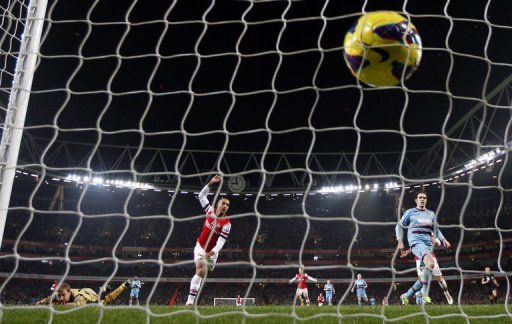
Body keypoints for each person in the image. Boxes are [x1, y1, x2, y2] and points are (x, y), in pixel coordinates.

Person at [396, 191, 451, 303]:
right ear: (416, 200)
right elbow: (399, 226)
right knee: (430, 264)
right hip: (416, 242)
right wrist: (400, 241)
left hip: (428, 245)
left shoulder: (431, 214)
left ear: (426, 200)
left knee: (425, 276)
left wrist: (443, 239)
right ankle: (425, 296)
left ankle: (406, 296)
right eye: (420, 197)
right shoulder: (410, 212)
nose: (422, 199)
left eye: (424, 198)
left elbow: (436, 229)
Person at [186, 175, 231, 306]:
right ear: (218, 204)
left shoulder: (226, 223)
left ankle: (203, 274)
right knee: (201, 269)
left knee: (206, 271)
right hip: (200, 247)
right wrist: (211, 183)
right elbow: (201, 196)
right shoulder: (209, 210)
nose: (225, 206)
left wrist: (210, 254)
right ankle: (189, 303)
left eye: (227, 205)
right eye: (223, 203)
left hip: (212, 254)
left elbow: (220, 243)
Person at [37, 281, 129, 306]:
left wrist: (61, 304)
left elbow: (79, 305)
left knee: (103, 302)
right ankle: (103, 289)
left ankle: (124, 285)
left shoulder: (79, 296)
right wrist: (40, 302)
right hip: (83, 290)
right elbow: (50, 298)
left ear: (69, 292)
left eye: (63, 295)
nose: (60, 297)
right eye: (60, 295)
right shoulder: (59, 294)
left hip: (89, 295)